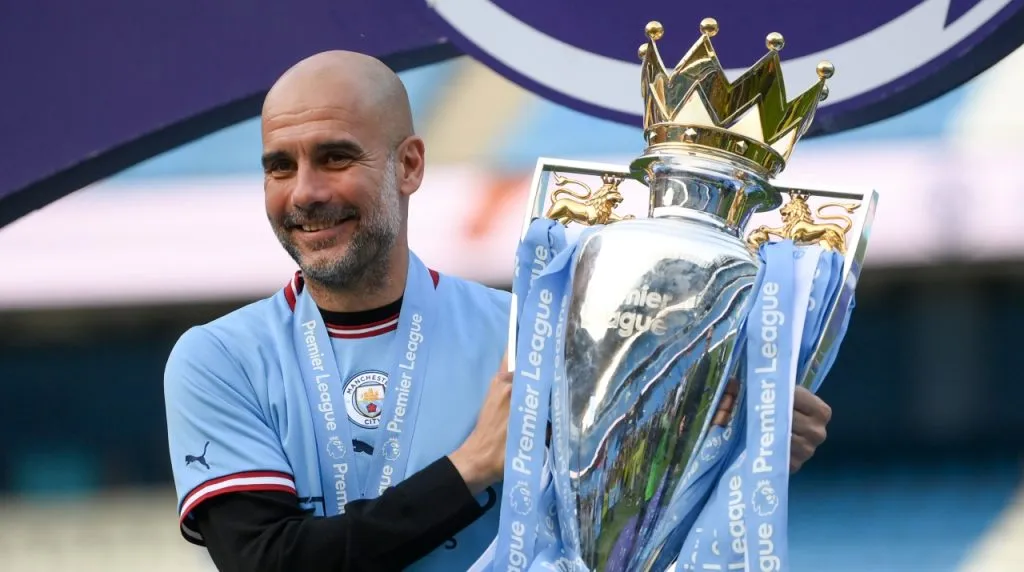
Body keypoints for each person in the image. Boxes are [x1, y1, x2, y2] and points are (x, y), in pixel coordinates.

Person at [162, 50, 834, 572]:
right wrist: (473, 467)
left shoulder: (534, 337)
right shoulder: (220, 359)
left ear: (410, 165)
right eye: (280, 167)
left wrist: (724, 451)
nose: (304, 192)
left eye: (334, 157)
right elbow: (270, 563)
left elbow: (614, 536)